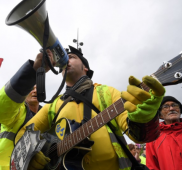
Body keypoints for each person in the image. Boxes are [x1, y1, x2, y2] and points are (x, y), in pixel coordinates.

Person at [13, 46, 165, 170]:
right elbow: (24, 133)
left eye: (71, 57)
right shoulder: (53, 105)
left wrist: (144, 119)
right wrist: (32, 155)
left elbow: (139, 136)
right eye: (63, 58)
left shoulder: (107, 92)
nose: (66, 60)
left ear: (85, 67)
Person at [0, 85, 42, 170]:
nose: (35, 91)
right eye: (31, 89)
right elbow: (0, 106)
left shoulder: (46, 116)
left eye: (38, 88)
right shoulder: (16, 111)